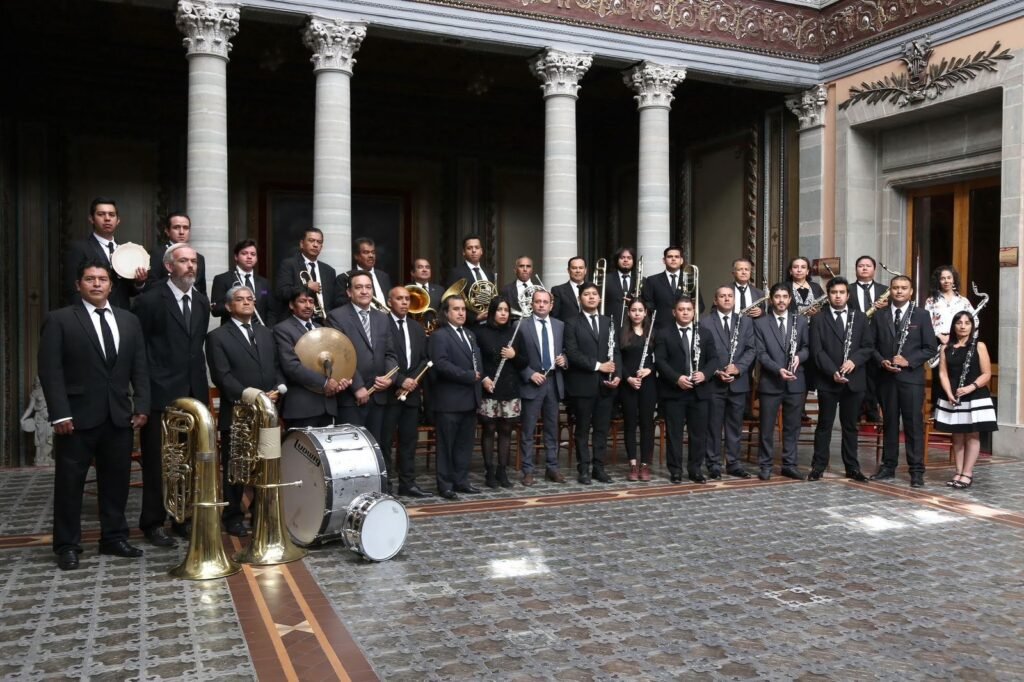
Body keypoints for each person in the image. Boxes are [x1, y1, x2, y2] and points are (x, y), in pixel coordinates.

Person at [38, 261, 150, 570]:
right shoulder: (59, 320)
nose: (97, 284)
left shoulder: (129, 321)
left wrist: (141, 405)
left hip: (119, 416)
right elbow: (50, 371)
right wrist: (59, 414)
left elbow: (139, 366)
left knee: (116, 482)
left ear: (111, 286)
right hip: (75, 418)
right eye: (90, 279)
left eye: (102, 279)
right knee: (69, 483)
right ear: (79, 285)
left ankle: (113, 537)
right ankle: (67, 545)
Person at [132, 243, 210, 547]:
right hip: (159, 395)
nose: (190, 266)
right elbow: (140, 352)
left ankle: (182, 518)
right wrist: (142, 397)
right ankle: (152, 523)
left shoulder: (201, 302)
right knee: (157, 463)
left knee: (188, 461)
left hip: (193, 395)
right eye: (183, 261)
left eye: (193, 262)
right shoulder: (150, 300)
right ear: (168, 266)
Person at [206, 285, 286, 536]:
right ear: (229, 307)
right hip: (238, 414)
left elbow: (276, 366)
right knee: (236, 469)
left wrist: (277, 389)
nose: (246, 303)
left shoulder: (265, 333)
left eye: (250, 299)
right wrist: (255, 396)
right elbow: (222, 377)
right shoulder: (217, 337)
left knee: (266, 465)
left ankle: (263, 511)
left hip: (267, 414)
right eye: (239, 300)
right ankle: (233, 517)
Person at [869, 276, 937, 487]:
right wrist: (882, 362)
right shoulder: (880, 316)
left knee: (913, 425)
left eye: (903, 288)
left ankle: (916, 470)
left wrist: (909, 361)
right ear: (890, 290)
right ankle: (888, 467)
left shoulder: (922, 315)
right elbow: (870, 346)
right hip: (887, 379)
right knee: (889, 423)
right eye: (895, 288)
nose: (899, 291)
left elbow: (930, 348)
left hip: (911, 380)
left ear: (911, 291)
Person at [808, 277, 875, 482]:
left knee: (850, 426)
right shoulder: (819, 319)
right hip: (829, 380)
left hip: (854, 380)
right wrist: (832, 372)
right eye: (834, 292)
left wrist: (853, 361)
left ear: (848, 295)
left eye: (841, 292)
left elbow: (868, 347)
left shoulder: (861, 317)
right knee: (824, 425)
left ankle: (852, 468)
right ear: (828, 295)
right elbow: (817, 351)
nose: (838, 296)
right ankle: (818, 466)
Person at [326, 271, 398, 443]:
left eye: (368, 287)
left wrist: (390, 379)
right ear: (349, 292)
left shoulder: (382, 318)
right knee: (352, 451)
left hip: (379, 396)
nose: (364, 291)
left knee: (375, 450)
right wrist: (357, 387)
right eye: (359, 287)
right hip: (351, 398)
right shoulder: (336, 317)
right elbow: (339, 356)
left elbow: (390, 353)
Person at [655, 297, 719, 484]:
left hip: (699, 391)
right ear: (674, 312)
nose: (685, 312)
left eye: (688, 309)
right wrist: (677, 378)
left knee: (698, 434)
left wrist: (705, 375)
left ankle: (695, 469)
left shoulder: (705, 333)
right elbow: (660, 361)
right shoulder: (664, 333)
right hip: (674, 392)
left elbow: (714, 359)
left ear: (694, 312)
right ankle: (675, 470)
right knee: (674, 433)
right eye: (681, 309)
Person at [564, 283, 622, 484]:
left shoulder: (609, 322)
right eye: (586, 294)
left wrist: (617, 374)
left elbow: (615, 351)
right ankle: (584, 469)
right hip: (582, 385)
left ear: (599, 298)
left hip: (606, 386)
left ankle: (599, 467)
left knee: (601, 429)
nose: (590, 297)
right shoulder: (571, 323)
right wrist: (599, 366)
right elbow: (572, 353)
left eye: (594, 294)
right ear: (580, 299)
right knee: (581, 429)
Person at [934, 310, 997, 489]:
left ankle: (967, 473)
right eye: (959, 322)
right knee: (957, 435)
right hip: (953, 396)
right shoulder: (945, 347)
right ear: (954, 325)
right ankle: (958, 471)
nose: (963, 326)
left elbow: (987, 374)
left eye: (967, 323)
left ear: (972, 326)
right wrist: (949, 393)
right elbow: (943, 373)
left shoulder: (979, 346)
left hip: (975, 395)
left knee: (972, 433)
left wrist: (970, 387)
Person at [428, 295, 483, 499]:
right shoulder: (439, 336)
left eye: (463, 309)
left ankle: (461, 481)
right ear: (446, 313)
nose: (461, 313)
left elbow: (477, 362)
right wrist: (467, 376)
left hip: (469, 399)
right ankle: (445, 485)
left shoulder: (470, 334)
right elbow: (440, 364)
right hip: (449, 401)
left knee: (464, 445)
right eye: (456, 309)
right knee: (446, 446)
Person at [753, 284, 809, 480]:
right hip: (771, 381)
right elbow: (760, 353)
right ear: (771, 300)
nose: (781, 300)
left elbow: (806, 347)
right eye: (777, 297)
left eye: (785, 296)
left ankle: (789, 464)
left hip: (796, 381)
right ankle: (765, 465)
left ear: (790, 299)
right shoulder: (760, 323)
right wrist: (778, 370)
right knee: (767, 426)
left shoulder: (800, 321)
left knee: (792, 427)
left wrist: (799, 357)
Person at [381, 286, 433, 498]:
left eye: (406, 299)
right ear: (389, 301)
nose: (404, 302)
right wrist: (400, 380)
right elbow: (382, 357)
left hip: (411, 394)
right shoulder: (381, 325)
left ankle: (407, 483)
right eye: (399, 299)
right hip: (388, 394)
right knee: (385, 442)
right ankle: (386, 485)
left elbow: (424, 359)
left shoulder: (417, 327)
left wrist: (411, 382)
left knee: (409, 441)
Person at [702, 285, 756, 479]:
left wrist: (739, 368)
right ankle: (714, 464)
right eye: (722, 296)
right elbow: (702, 353)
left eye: (730, 296)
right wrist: (716, 371)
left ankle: (733, 463)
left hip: (738, 382)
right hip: (714, 383)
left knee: (735, 426)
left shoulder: (746, 322)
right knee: (713, 425)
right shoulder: (705, 322)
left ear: (734, 300)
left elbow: (751, 349)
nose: (726, 299)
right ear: (715, 301)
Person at [516, 289, 568, 486]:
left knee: (552, 430)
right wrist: (529, 374)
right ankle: (527, 471)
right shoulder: (521, 325)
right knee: (528, 430)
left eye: (545, 302)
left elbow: (565, 350)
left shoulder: (560, 325)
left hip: (553, 382)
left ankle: (552, 468)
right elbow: (516, 357)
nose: (541, 305)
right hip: (532, 383)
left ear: (551, 305)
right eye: (537, 301)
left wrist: (565, 359)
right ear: (532, 303)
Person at [274, 289, 345, 429]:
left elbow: (332, 360)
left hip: (328, 405)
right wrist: (325, 382)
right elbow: (291, 366)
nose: (308, 306)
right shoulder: (282, 329)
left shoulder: (322, 328)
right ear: (291, 305)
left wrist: (341, 379)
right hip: (302, 407)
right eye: (302, 301)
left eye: (311, 302)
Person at [476, 296, 526, 488]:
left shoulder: (515, 333)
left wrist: (514, 356)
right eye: (499, 310)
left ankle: (502, 471)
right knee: (489, 430)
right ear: (492, 312)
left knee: (506, 431)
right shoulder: (480, 333)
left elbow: (525, 362)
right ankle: (489, 471)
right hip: (490, 387)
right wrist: (483, 379)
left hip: (510, 388)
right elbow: (475, 361)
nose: (503, 313)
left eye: (506, 310)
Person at [63, 198, 147, 308]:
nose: (107, 218)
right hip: (90, 314)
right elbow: (73, 289)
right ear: (91, 219)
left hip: (121, 314)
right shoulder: (78, 248)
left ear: (118, 220)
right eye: (101, 214)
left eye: (111, 215)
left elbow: (129, 291)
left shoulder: (125, 251)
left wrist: (139, 283)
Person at [618, 300, 657, 481]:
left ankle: (645, 465)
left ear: (645, 313)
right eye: (633, 310)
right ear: (628, 313)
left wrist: (650, 369)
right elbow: (618, 361)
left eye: (640, 310)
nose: (637, 313)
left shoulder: (652, 333)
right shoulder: (623, 333)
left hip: (648, 384)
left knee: (647, 424)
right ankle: (633, 464)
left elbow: (660, 360)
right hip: (629, 384)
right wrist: (628, 378)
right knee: (630, 424)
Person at [850, 255, 887, 422]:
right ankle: (856, 410)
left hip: (878, 337)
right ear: (856, 269)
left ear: (874, 269)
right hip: (855, 337)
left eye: (868, 266)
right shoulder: (847, 289)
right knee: (857, 373)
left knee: (875, 374)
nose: (864, 268)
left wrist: (885, 308)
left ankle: (872, 410)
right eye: (860, 266)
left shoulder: (885, 290)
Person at [274, 228, 338, 323]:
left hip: (323, 323)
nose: (315, 245)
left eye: (319, 242)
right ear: (302, 244)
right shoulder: (289, 264)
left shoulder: (329, 271)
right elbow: (282, 293)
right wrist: (306, 286)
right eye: (311, 240)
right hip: (296, 322)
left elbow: (332, 301)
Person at [211, 239, 273, 327]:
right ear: (236, 257)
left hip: (259, 331)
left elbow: (271, 311)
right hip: (232, 331)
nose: (249, 257)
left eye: (253, 254)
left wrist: (268, 330)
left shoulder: (264, 283)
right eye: (244, 253)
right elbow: (215, 310)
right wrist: (235, 303)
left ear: (257, 258)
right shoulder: (222, 279)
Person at [643, 246, 704, 330]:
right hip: (660, 328)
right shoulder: (652, 280)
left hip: (684, 328)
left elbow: (700, 305)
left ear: (681, 260)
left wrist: (689, 313)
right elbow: (647, 304)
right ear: (664, 260)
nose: (673, 259)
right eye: (670, 257)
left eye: (676, 257)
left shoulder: (690, 279)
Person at [145, 212, 207, 294]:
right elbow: (150, 286)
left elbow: (201, 290)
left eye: (185, 228)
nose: (181, 232)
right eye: (176, 227)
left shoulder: (199, 258)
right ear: (167, 231)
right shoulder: (157, 254)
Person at [924, 265, 975, 355]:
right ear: (938, 281)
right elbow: (926, 322)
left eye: (949, 278)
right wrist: (940, 336)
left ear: (953, 280)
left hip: (960, 341)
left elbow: (975, 320)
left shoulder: (963, 301)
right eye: (943, 278)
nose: (946, 281)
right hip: (939, 341)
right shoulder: (931, 301)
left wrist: (963, 335)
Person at [446, 234, 491, 323]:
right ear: (463, 252)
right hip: (469, 324)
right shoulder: (456, 272)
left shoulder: (489, 273)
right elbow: (452, 299)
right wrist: (475, 317)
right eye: (469, 248)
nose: (474, 250)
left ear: (481, 251)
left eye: (477, 247)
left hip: (489, 323)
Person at [336, 237, 392, 307]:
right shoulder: (344, 278)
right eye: (366, 252)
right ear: (356, 256)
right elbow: (339, 303)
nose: (371, 256)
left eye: (373, 252)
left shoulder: (384, 277)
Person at [605, 247, 638, 329]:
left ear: (633, 261)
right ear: (617, 260)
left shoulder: (641, 280)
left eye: (629, 258)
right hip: (611, 324)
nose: (626, 260)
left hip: (633, 326)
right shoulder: (606, 279)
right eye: (622, 258)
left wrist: (634, 303)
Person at [551, 256, 588, 322]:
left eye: (581, 268)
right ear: (568, 270)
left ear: (585, 270)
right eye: (574, 268)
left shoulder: (593, 289)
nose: (578, 271)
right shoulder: (558, 291)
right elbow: (554, 317)